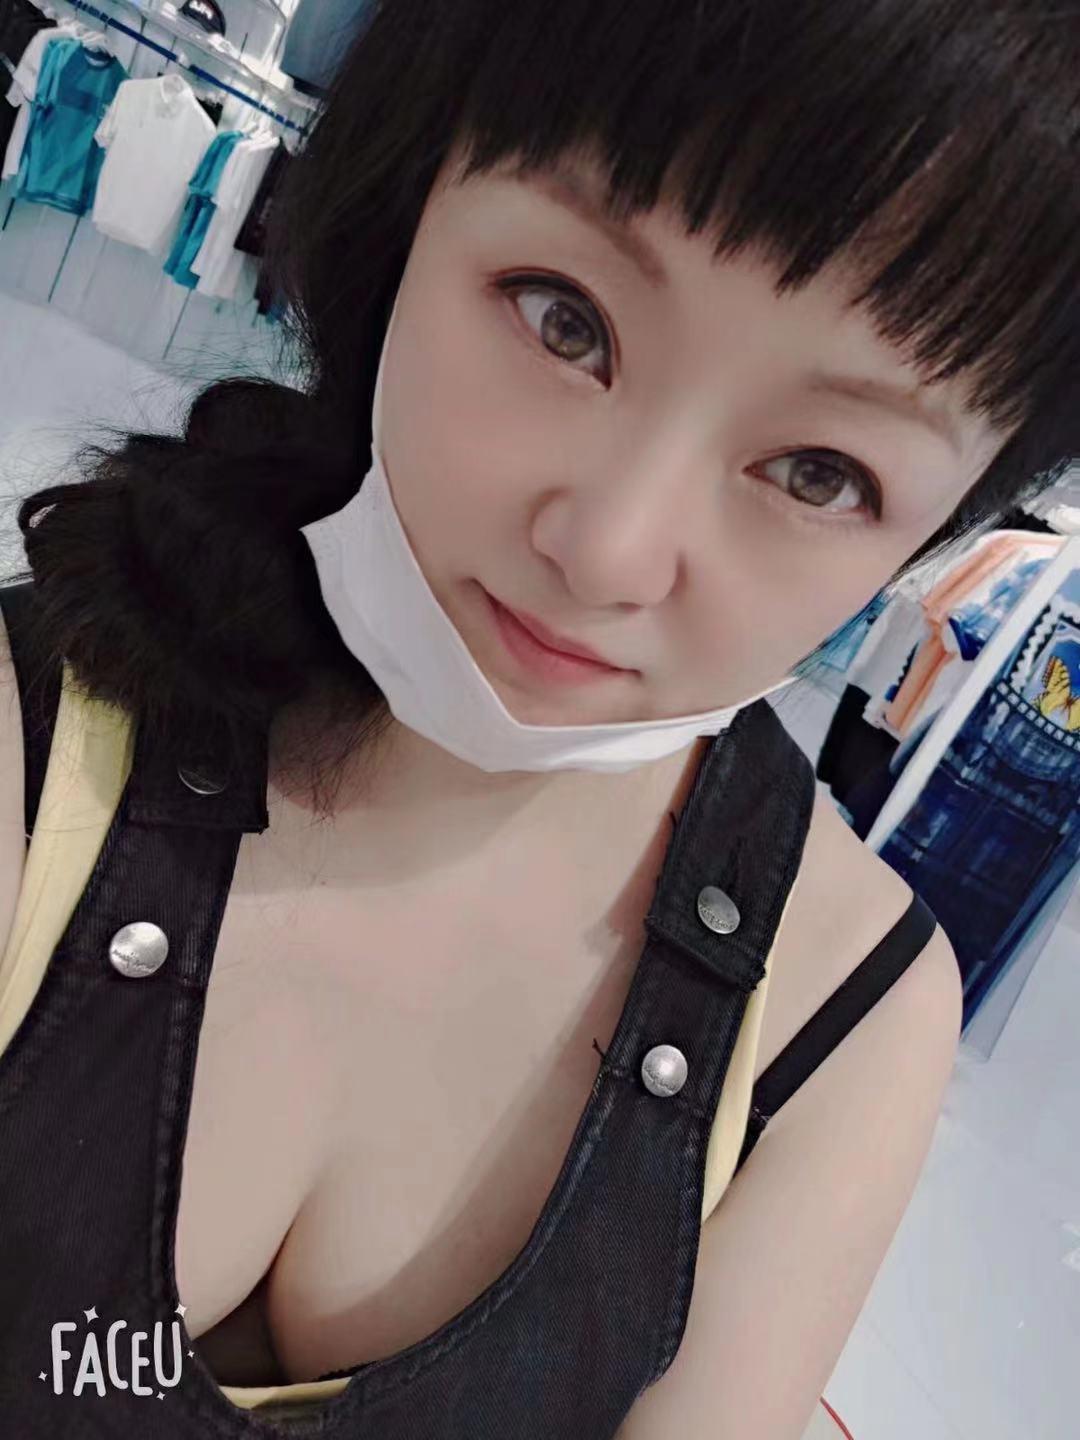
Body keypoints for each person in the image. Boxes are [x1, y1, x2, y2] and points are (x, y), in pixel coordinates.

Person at [0, 1, 1076, 1436]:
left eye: (819, 474)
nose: (610, 551)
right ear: (409, 201)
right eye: (566, 320)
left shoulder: (844, 1013)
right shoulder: (37, 732)